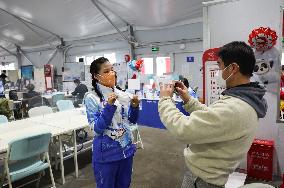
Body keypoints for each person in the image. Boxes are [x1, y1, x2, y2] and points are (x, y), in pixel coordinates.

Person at [158, 41, 267, 188]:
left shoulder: (234, 107)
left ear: (233, 68)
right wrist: (188, 100)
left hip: (203, 180)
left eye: (220, 65)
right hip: (209, 176)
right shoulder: (243, 100)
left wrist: (165, 99)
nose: (218, 71)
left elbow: (183, 129)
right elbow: (212, 117)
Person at [83, 57, 140, 188]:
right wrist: (109, 106)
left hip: (126, 151)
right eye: (107, 71)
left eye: (112, 70)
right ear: (97, 76)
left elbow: (132, 120)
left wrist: (135, 107)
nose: (112, 73)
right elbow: (96, 129)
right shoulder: (92, 98)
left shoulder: (121, 94)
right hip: (107, 155)